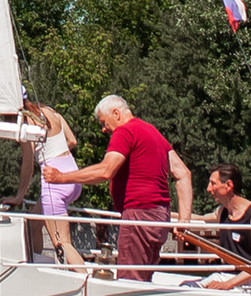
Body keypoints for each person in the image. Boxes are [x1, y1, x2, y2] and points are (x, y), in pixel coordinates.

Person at [67, 92, 194, 273]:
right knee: (143, 277)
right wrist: (184, 220)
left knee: (130, 277)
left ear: (116, 114)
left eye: (104, 122)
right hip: (159, 218)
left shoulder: (125, 131)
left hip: (139, 217)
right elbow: (183, 174)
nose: (104, 129)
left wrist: (61, 178)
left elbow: (105, 171)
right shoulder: (153, 132)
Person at [21, 96, 83, 268]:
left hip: (54, 182)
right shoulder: (51, 112)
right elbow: (72, 141)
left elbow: (27, 164)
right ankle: (38, 266)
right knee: (33, 224)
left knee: (62, 243)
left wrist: (19, 196)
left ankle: (88, 282)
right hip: (73, 175)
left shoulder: (26, 122)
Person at [190, 165, 251, 283]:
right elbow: (199, 219)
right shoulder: (222, 213)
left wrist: (227, 285)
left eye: (213, 183)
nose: (208, 189)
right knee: (187, 286)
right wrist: (167, 215)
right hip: (229, 277)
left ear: (228, 185)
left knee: (191, 288)